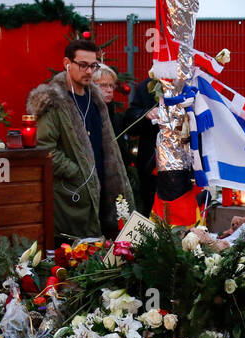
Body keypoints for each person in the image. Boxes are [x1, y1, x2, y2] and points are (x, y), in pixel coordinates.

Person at [26, 38, 133, 241]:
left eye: (93, 66)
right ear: (67, 63)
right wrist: (76, 171)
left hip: (103, 189)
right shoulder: (54, 101)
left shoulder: (95, 98)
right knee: (74, 256)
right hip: (72, 194)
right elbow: (45, 148)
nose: (89, 71)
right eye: (83, 65)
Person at [122, 79, 158, 217]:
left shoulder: (191, 84)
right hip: (151, 163)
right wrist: (145, 114)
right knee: (150, 206)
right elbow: (130, 124)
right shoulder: (147, 86)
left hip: (184, 164)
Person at [92, 64, 125, 137]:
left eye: (111, 86)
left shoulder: (112, 113)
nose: (110, 90)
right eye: (103, 85)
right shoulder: (87, 112)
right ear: (91, 86)